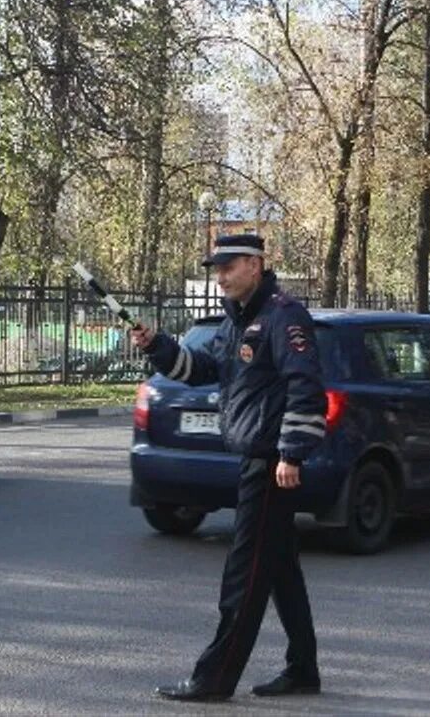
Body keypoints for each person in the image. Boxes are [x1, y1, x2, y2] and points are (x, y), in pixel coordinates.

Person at [131, 233, 326, 702]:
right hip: (254, 457)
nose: (219, 276)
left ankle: (213, 680)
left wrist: (292, 453)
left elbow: (306, 386)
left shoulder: (283, 316)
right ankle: (303, 670)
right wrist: (158, 345)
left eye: (227, 266)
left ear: (254, 265)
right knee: (279, 568)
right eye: (215, 268)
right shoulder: (236, 321)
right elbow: (201, 368)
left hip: (270, 461)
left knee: (245, 574)